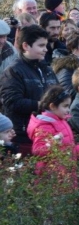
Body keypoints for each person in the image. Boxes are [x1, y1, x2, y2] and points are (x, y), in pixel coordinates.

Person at [0, 25, 59, 155]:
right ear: (26, 46)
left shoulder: (47, 70)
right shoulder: (13, 71)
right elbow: (12, 102)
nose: (45, 49)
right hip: (24, 135)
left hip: (49, 133)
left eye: (46, 45)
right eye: (41, 45)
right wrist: (42, 105)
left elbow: (58, 93)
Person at [28, 85, 79, 162]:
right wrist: (53, 142)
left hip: (66, 169)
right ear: (52, 106)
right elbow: (38, 151)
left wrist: (78, 150)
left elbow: (65, 147)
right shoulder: (44, 126)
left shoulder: (61, 121)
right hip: (52, 172)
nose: (68, 110)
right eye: (65, 106)